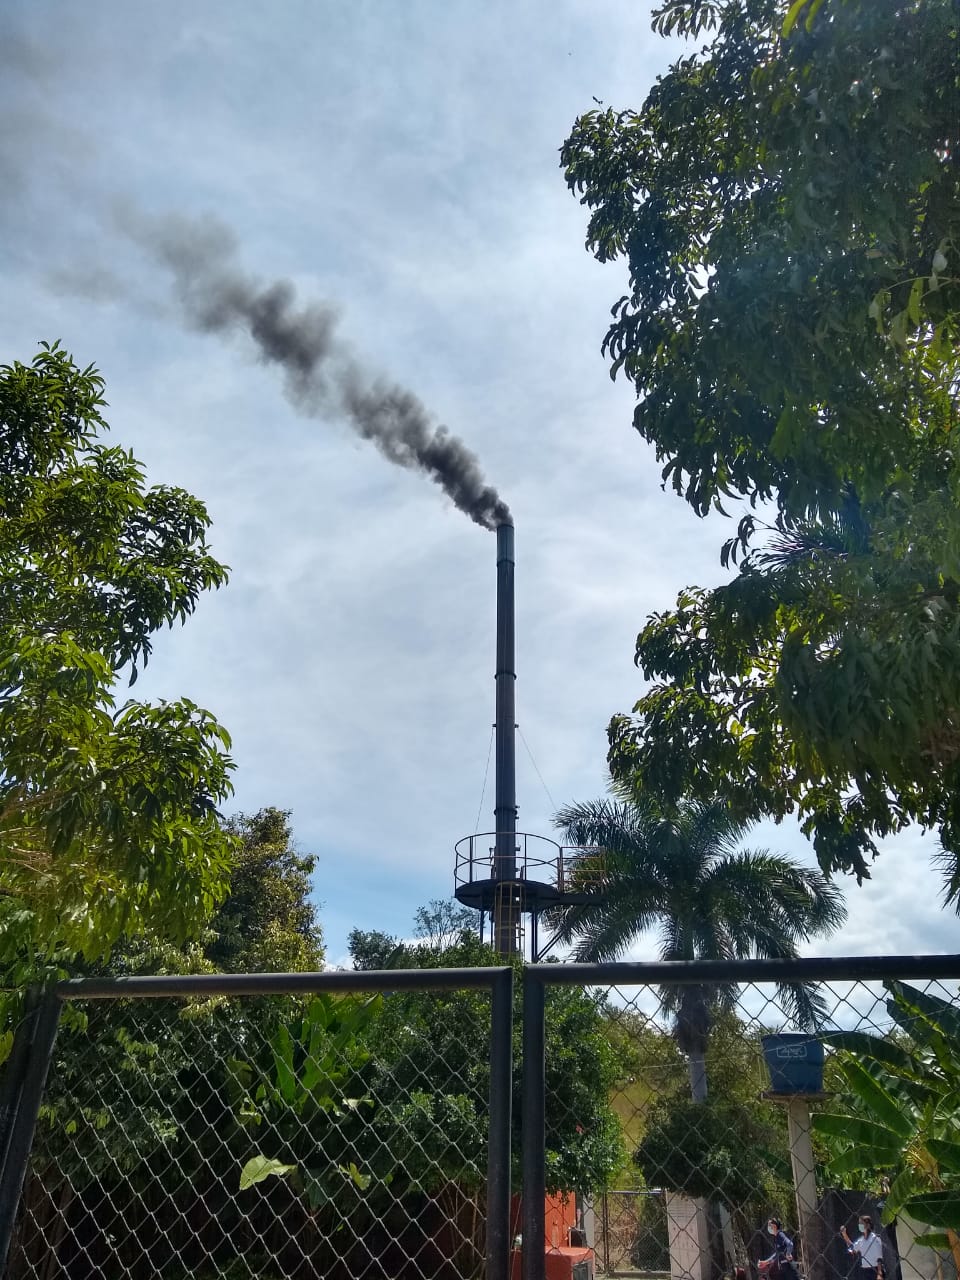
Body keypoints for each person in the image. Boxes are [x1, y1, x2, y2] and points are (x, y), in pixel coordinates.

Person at [841, 1214, 884, 1280]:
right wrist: (844, 1234)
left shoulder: (875, 1238)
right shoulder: (861, 1240)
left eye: (861, 1223)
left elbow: (879, 1258)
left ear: (868, 1225)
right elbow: (852, 1248)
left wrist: (879, 1273)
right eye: (859, 1223)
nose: (859, 1225)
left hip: (875, 1270)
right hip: (865, 1271)